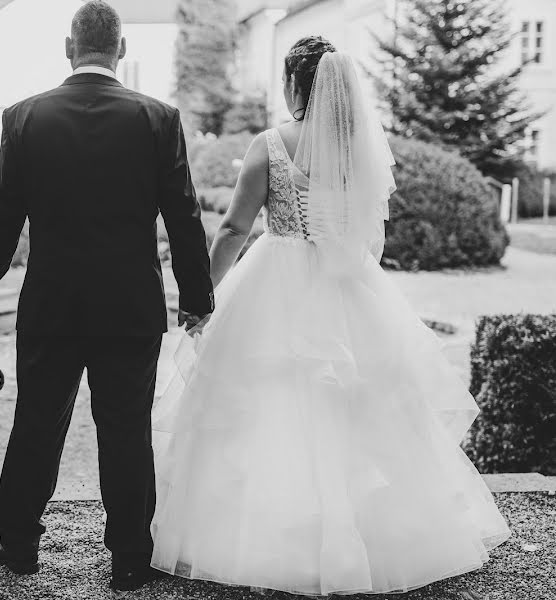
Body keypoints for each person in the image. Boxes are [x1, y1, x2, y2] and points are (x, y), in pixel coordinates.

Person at [149, 36, 511, 596]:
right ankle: (386, 540)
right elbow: (372, 235)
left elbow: (233, 229)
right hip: (351, 285)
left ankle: (271, 540)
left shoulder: (272, 145)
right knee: (361, 407)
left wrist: (202, 296)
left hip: (277, 278)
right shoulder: (361, 148)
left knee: (267, 402)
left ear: (296, 84)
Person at [0, 1, 214, 592]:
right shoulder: (158, 118)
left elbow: (3, 215)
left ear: (67, 47)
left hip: (51, 303)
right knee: (125, 429)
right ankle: (129, 555)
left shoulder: (24, 118)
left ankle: (19, 541)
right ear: (121, 50)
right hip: (130, 306)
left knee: (36, 423)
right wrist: (196, 297)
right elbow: (184, 217)